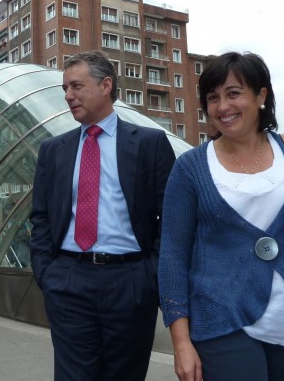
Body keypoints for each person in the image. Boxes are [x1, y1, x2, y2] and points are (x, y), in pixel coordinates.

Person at [158, 51, 284, 381]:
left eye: (234, 93)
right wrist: (181, 342)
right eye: (213, 97)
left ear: (261, 95)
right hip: (220, 323)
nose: (222, 107)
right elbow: (172, 256)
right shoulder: (190, 168)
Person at [30, 51, 175, 380]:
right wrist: (47, 273)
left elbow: (171, 218)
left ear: (106, 85)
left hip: (130, 281)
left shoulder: (149, 143)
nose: (68, 95)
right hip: (68, 280)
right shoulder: (53, 149)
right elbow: (40, 218)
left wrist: (149, 276)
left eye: (77, 86)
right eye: (65, 88)